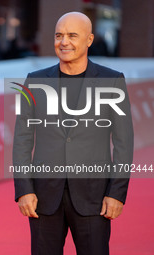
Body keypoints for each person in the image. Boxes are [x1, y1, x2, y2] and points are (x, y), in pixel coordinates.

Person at [13, 12, 134, 255]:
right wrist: (24, 189)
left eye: (72, 35)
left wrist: (117, 193)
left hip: (94, 198)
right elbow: (22, 138)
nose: (63, 41)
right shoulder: (34, 81)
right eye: (59, 35)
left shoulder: (112, 81)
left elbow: (123, 142)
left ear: (89, 40)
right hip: (44, 198)